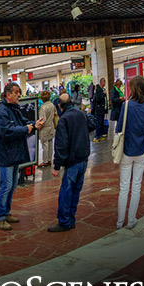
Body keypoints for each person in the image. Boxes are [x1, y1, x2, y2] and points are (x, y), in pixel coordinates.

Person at [0, 82, 44, 231]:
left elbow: (23, 123)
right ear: (8, 94)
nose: (19, 95)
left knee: (12, 185)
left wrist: (34, 125)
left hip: (14, 154)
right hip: (6, 155)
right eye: (16, 92)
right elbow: (6, 131)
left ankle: (6, 213)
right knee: (6, 185)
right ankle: (0, 217)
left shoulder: (13, 110)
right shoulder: (2, 112)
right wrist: (26, 129)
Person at [48, 92, 94, 232]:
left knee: (66, 192)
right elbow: (92, 124)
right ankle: (71, 219)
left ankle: (64, 222)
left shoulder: (64, 120)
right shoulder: (81, 114)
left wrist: (56, 166)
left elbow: (61, 145)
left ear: (60, 106)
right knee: (75, 192)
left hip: (72, 161)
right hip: (84, 159)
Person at [116, 76, 144, 229]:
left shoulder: (126, 106)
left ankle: (120, 221)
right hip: (141, 151)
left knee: (124, 187)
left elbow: (119, 128)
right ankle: (131, 219)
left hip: (126, 150)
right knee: (136, 185)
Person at [37, 91, 56, 168]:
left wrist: (38, 128)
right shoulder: (52, 105)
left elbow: (42, 120)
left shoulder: (43, 108)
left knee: (45, 145)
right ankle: (49, 160)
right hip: (51, 126)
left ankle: (44, 161)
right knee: (50, 144)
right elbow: (55, 114)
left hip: (45, 128)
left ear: (42, 99)